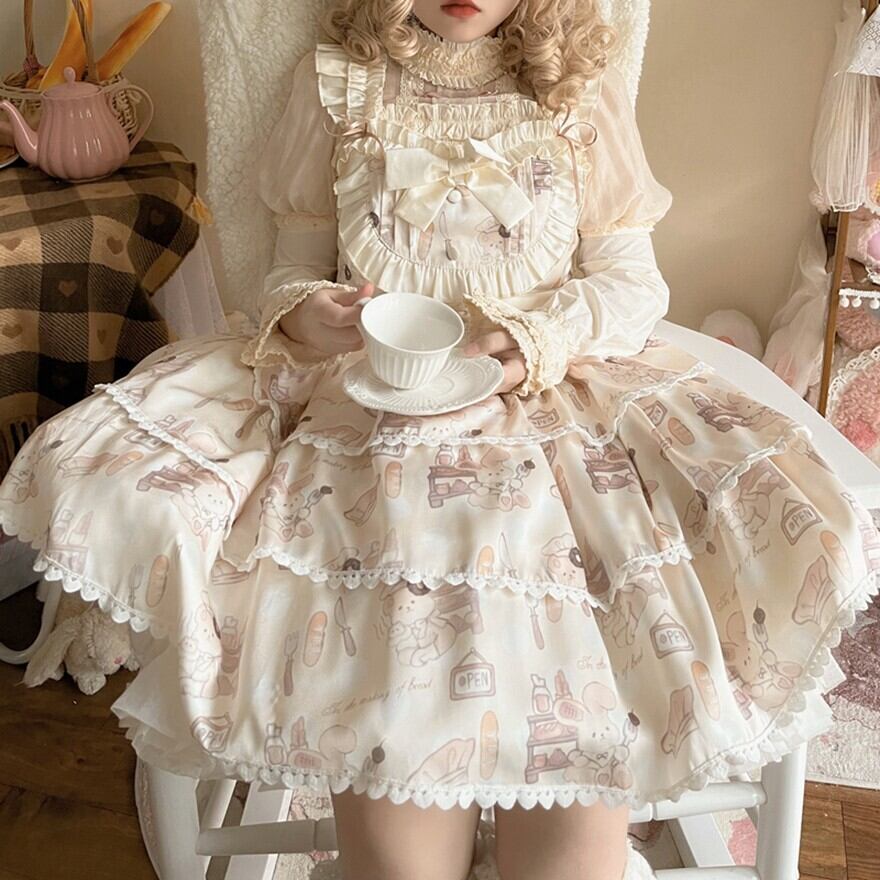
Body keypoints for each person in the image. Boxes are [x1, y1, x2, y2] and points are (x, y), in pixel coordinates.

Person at [1, 1, 878, 878]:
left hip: (552, 409)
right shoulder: (338, 83)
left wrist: (537, 338)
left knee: (571, 859)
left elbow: (631, 282)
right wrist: (307, 311)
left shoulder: (578, 87)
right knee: (400, 861)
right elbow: (291, 265)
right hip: (374, 424)